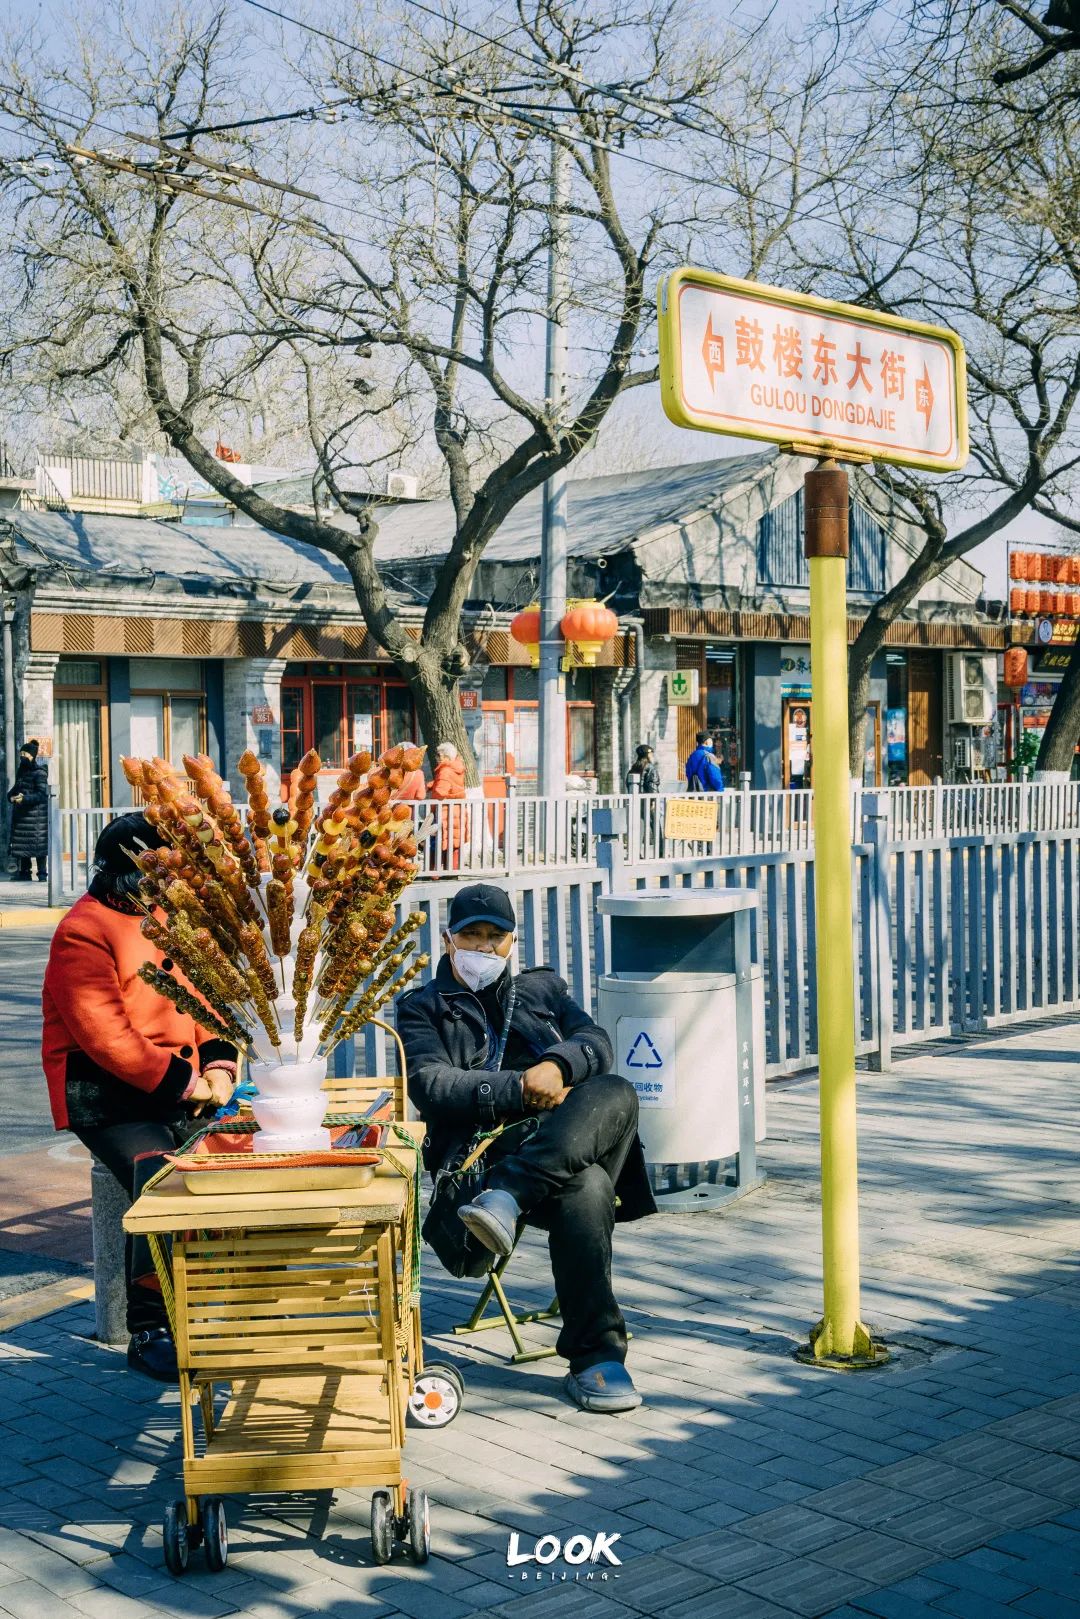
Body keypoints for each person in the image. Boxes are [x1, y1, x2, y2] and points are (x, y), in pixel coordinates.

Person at [397, 882, 657, 1413]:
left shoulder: (543, 990)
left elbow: (595, 1043)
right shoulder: (422, 1007)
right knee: (587, 1188)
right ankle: (596, 1358)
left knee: (617, 1090)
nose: (484, 947)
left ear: (512, 942)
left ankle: (510, 1197)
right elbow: (431, 1084)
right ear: (449, 938)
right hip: (484, 1160)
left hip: (555, 1144)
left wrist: (556, 1067)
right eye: (473, 935)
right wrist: (519, 1088)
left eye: (496, 937)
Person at [41, 813, 238, 1382]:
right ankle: (148, 1325)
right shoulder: (83, 929)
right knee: (163, 1179)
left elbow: (209, 1002)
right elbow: (107, 1038)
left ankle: (216, 1303)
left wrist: (221, 1066)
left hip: (179, 1085)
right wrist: (188, 1084)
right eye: (161, 870)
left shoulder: (167, 918)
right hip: (106, 1095)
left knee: (231, 1165)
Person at [7, 740, 49, 881]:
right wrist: (10, 796)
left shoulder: (40, 773)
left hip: (36, 817)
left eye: (25, 754)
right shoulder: (22, 771)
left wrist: (24, 799)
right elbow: (17, 788)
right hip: (22, 816)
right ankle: (25, 873)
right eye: (21, 754)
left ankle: (42, 874)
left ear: (32, 756)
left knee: (38, 846)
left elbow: (41, 794)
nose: (22, 756)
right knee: (24, 845)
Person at [430, 740, 467, 866]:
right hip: (457, 809)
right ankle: (453, 869)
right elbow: (453, 786)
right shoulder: (457, 768)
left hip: (445, 810)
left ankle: (435, 871)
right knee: (454, 841)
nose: (437, 758)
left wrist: (433, 791)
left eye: (438, 755)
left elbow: (441, 792)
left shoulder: (445, 770)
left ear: (445, 756)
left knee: (438, 840)